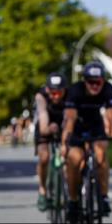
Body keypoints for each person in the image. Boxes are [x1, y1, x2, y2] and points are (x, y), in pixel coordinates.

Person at [61, 61, 112, 221]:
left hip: (96, 125)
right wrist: (64, 142)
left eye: (98, 82)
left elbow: (110, 116)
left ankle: (103, 196)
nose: (94, 86)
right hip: (77, 126)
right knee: (74, 159)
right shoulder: (75, 90)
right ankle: (73, 201)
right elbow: (70, 118)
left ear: (103, 81)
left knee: (100, 155)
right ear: (84, 81)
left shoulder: (108, 89)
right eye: (90, 82)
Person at [34, 72, 67, 211]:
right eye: (53, 93)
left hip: (63, 123)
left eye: (59, 92)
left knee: (69, 155)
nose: (56, 96)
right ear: (47, 90)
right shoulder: (40, 97)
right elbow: (42, 123)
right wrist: (48, 128)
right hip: (45, 124)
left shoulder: (70, 95)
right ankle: (42, 190)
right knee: (44, 156)